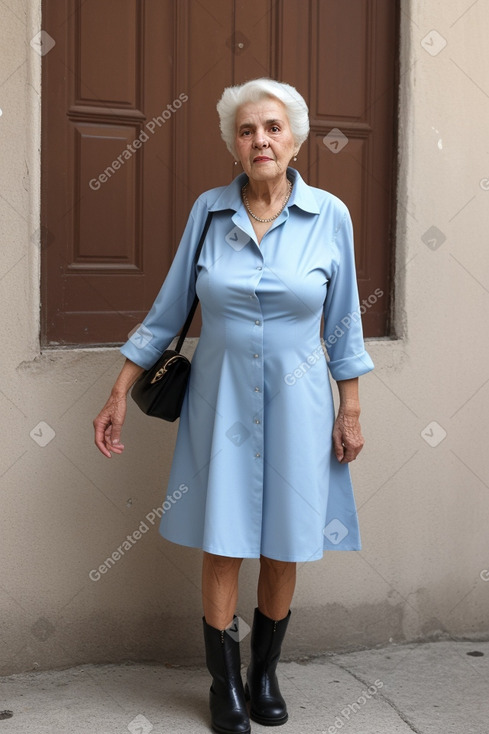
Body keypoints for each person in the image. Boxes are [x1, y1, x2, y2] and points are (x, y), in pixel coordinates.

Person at [94, 77, 374, 734]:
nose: (260, 140)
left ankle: (264, 675)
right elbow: (167, 313)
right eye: (246, 130)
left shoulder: (329, 215)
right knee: (221, 545)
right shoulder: (208, 213)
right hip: (219, 409)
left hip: (299, 408)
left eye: (272, 127)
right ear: (233, 142)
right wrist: (117, 392)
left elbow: (342, 324)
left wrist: (349, 408)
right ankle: (225, 687)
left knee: (283, 547)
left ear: (295, 137)